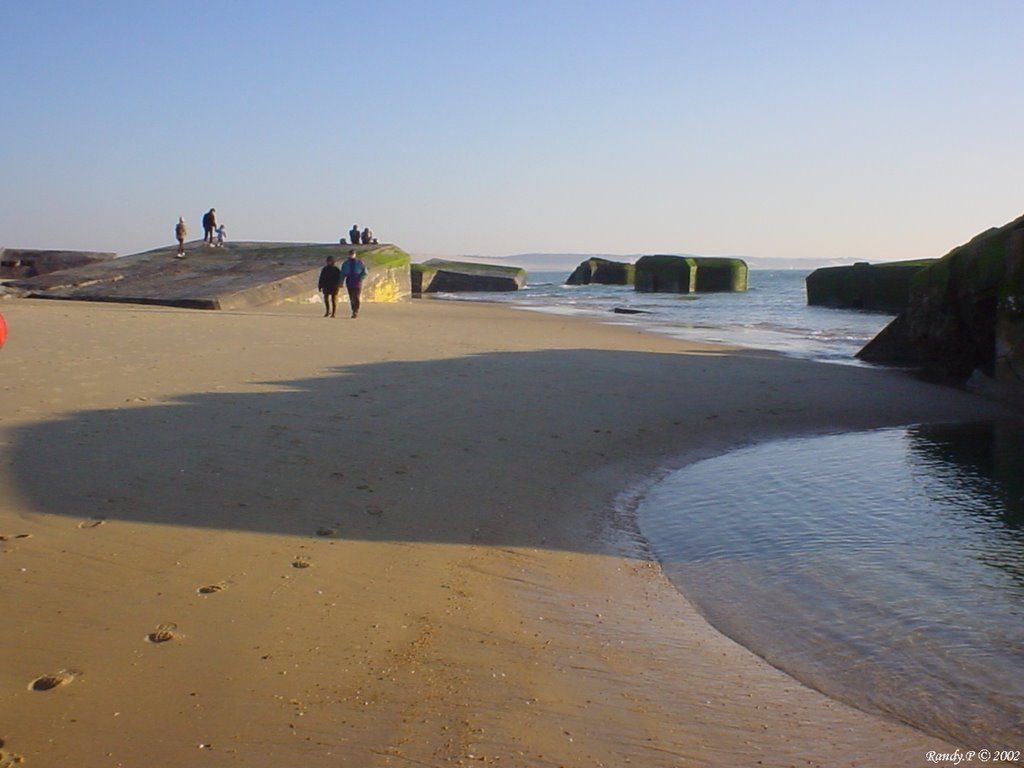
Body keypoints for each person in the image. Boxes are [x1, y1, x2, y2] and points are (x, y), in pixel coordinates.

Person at [340, 249, 368, 318]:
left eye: (353, 254)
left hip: (357, 282)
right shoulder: (346, 263)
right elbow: (342, 274)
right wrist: (341, 282)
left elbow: (365, 272)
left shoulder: (360, 263)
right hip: (349, 281)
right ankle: (353, 310)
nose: (351, 255)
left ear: (355, 254)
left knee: (356, 297)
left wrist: (360, 278)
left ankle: (356, 310)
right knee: (351, 297)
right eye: (350, 254)